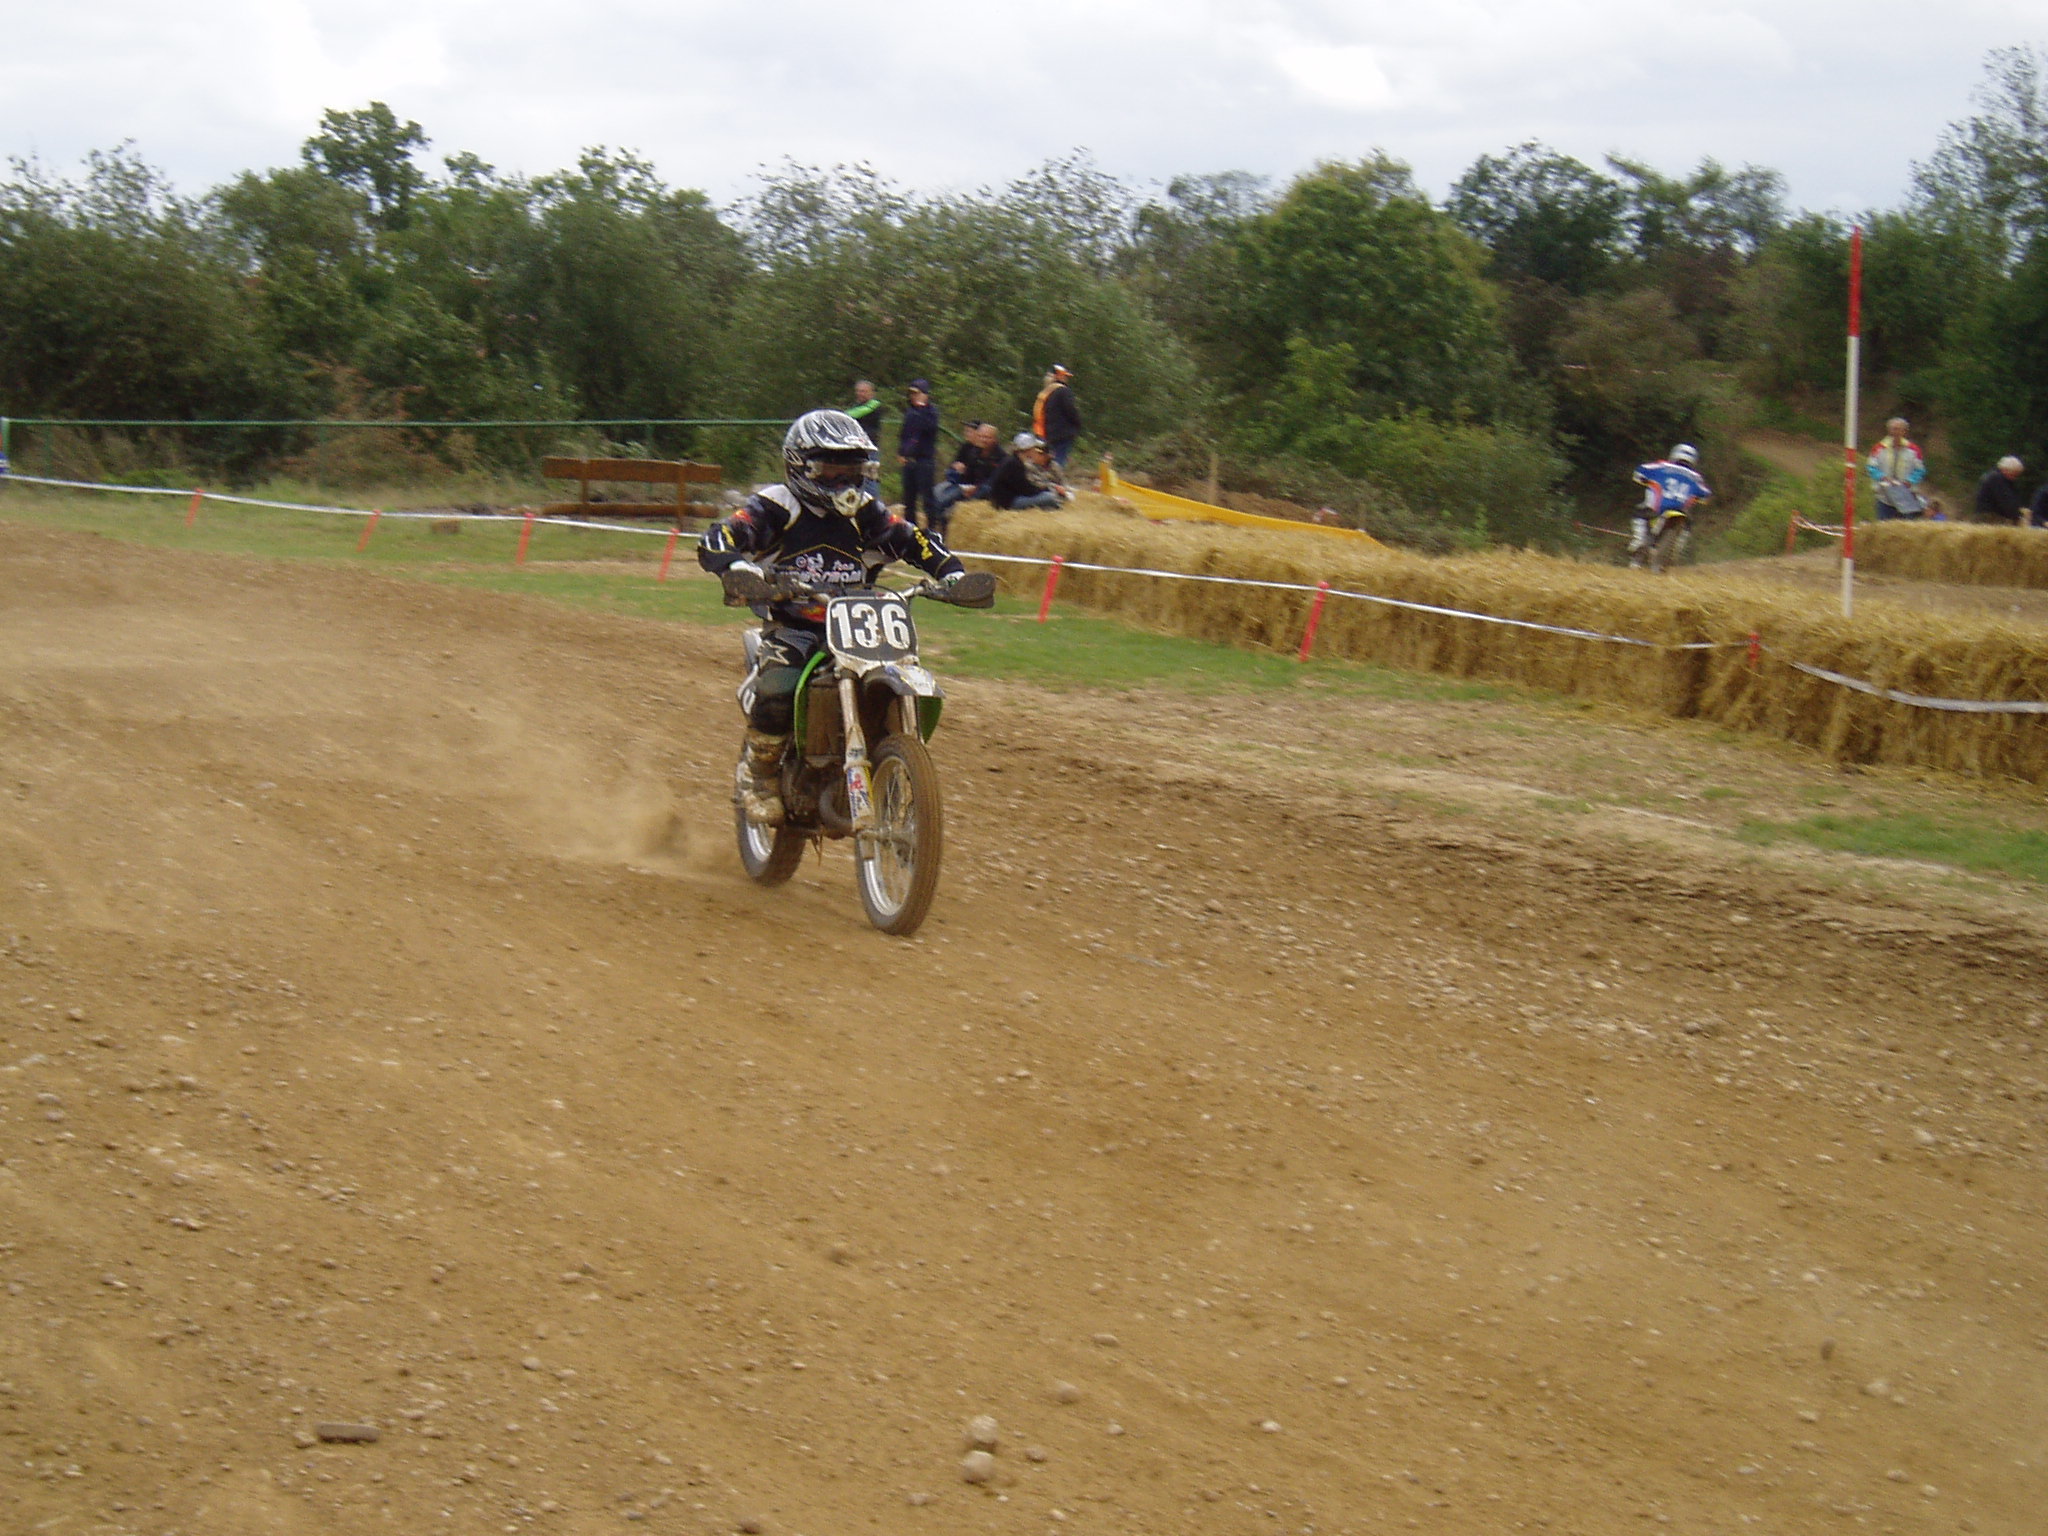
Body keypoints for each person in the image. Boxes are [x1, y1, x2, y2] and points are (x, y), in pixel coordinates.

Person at [697, 410, 964, 826]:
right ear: (800, 467)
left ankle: (893, 756)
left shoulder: (866, 512)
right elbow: (721, 536)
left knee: (900, 676)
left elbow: (913, 540)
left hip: (860, 626)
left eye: (852, 470)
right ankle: (758, 776)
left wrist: (952, 574)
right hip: (796, 626)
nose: (843, 481)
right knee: (779, 688)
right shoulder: (776, 506)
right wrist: (737, 567)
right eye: (831, 469)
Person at [1627, 442, 1711, 568]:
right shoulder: (1696, 478)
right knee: (1687, 526)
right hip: (1681, 512)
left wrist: (1644, 480)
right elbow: (1706, 495)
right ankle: (1675, 551)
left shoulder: (1661, 466)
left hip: (1655, 510)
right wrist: (1698, 497)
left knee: (1639, 514)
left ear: (1674, 454)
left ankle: (1638, 542)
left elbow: (1640, 472)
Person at [929, 421, 1003, 537]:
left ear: (994, 439)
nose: (983, 440)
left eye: (987, 437)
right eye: (981, 436)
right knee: (939, 501)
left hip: (985, 490)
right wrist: (960, 472)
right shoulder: (973, 451)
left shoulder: (1001, 457)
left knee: (982, 490)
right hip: (966, 486)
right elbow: (966, 473)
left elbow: (995, 481)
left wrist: (975, 487)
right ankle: (935, 532)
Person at [986, 432, 1072, 511]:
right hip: (1007, 503)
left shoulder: (1012, 460)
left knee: (1046, 496)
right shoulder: (1015, 464)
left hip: (1006, 500)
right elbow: (1027, 490)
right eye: (1034, 448)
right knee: (1049, 497)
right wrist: (1046, 489)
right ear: (1029, 449)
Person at [1866, 418, 1928, 519]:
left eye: (1899, 429)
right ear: (1889, 430)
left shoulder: (1913, 450)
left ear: (1904, 431)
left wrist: (1910, 481)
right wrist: (1882, 477)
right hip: (1884, 497)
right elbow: (1871, 467)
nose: (1896, 432)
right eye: (1893, 429)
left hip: (1906, 496)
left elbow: (1920, 470)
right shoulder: (1879, 448)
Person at [897, 379, 939, 525]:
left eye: (917, 393)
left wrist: (921, 409)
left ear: (925, 394)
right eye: (912, 394)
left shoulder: (931, 412)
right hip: (910, 461)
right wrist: (901, 452)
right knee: (909, 499)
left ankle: (932, 527)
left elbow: (929, 429)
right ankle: (911, 528)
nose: (913, 397)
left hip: (924, 461)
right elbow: (905, 434)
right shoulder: (910, 412)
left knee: (927, 497)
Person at [1033, 365, 1082, 468]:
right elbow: (1071, 410)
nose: (1066, 378)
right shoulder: (1064, 391)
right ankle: (1055, 477)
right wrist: (1078, 424)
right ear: (1058, 376)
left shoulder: (1046, 392)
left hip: (1045, 433)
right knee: (1058, 462)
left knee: (1045, 461)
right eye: (1064, 376)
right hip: (1062, 434)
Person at [1975, 456, 2027, 524]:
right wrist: (2018, 517)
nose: (2015, 478)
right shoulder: (1996, 479)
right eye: (2014, 474)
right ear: (2005, 470)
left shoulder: (1996, 477)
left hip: (1991, 516)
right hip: (1989, 517)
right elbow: (2006, 501)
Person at [845, 380, 887, 452]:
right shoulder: (856, 405)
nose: (859, 394)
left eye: (863, 391)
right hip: (855, 445)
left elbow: (852, 414)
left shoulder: (874, 404)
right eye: (858, 391)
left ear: (872, 393)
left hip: (869, 447)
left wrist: (840, 415)